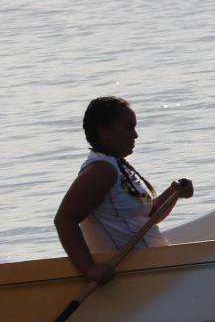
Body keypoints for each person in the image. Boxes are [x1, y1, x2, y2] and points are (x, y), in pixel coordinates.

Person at [54, 96, 194, 284]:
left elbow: (146, 218)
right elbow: (64, 220)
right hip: (135, 273)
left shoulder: (118, 167)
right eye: (129, 128)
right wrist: (89, 268)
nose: (135, 135)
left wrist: (173, 193)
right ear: (105, 132)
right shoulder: (101, 171)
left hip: (155, 263)